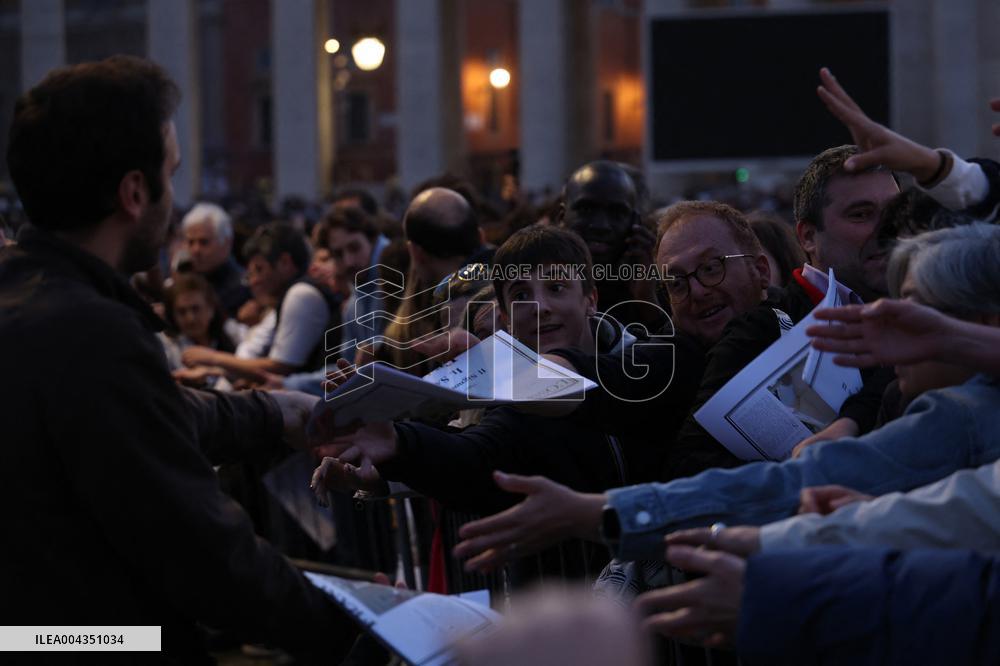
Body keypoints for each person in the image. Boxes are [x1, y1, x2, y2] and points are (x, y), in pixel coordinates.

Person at [0, 55, 354, 662]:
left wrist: (271, 413)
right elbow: (203, 552)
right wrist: (368, 633)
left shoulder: (27, 299)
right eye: (172, 172)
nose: (175, 201)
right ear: (136, 193)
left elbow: (147, 416)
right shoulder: (91, 332)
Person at [182, 222, 341, 378]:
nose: (253, 281)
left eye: (259, 269)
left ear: (285, 262)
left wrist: (212, 358)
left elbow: (279, 367)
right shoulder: (292, 295)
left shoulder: (301, 295)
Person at [181, 201, 252, 316]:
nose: (195, 250)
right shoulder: (181, 278)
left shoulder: (244, 287)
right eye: (190, 242)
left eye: (204, 242)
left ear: (226, 243)